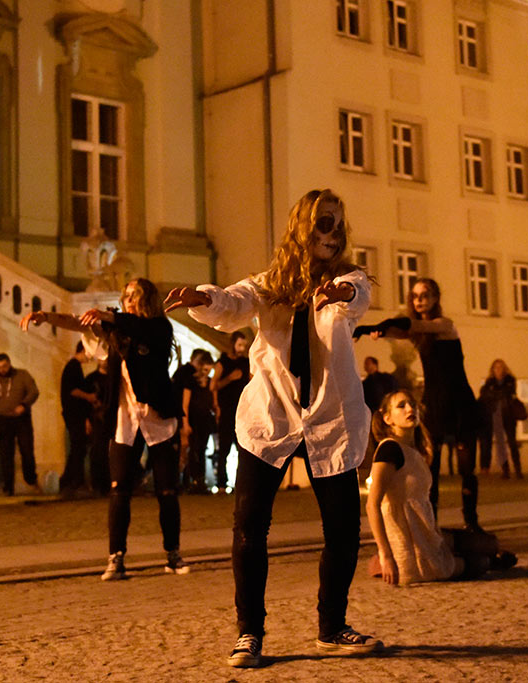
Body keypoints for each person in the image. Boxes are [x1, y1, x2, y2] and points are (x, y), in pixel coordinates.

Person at [164, 188, 381, 667]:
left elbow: (357, 297)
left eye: (338, 225)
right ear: (303, 226)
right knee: (249, 527)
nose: (333, 233)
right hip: (272, 416)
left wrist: (342, 292)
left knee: (343, 530)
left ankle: (331, 626)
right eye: (324, 223)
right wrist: (203, 296)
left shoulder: (349, 277)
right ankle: (250, 633)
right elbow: (234, 302)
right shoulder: (271, 283)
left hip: (329, 418)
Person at [21, 279, 188, 580]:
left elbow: (139, 328)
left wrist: (109, 316)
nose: (128, 301)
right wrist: (46, 317)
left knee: (166, 489)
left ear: (147, 299)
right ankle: (116, 558)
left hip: (157, 416)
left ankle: (172, 554)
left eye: (134, 296)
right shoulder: (116, 329)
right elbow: (80, 323)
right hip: (125, 418)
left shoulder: (159, 328)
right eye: (125, 296)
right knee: (119, 488)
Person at [355, 278, 482, 531]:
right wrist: (366, 329)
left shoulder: (444, 326)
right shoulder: (418, 334)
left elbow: (412, 324)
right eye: (415, 296)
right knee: (430, 469)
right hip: (434, 405)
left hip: (460, 403)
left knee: (467, 468)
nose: (419, 300)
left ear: (435, 298)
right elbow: (399, 329)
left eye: (425, 295)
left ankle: (472, 523)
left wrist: (385, 324)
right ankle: (430, 526)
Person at [365, 390, 517, 586]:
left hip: (426, 531)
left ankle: (474, 556)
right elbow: (372, 505)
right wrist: (386, 555)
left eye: (412, 404)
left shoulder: (413, 450)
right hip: (411, 542)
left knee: (489, 543)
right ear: (387, 418)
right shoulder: (389, 449)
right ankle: (381, 561)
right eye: (401, 406)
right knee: (482, 562)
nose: (410, 409)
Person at [0, 353, 40, 495]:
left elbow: (34, 391)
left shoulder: (22, 375)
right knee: (6, 455)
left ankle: (31, 479)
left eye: (4, 366)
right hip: (3, 421)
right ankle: (8, 487)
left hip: (21, 419)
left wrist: (24, 404)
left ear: (9, 364)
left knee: (27, 450)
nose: (2, 370)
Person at [212, 331, 250, 492]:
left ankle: (241, 484)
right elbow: (213, 386)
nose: (242, 349)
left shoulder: (246, 362)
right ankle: (221, 483)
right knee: (224, 448)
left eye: (244, 346)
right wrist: (229, 379)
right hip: (227, 411)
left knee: (243, 448)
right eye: (239, 345)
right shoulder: (223, 363)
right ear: (233, 344)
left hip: (242, 411)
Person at [60, 342, 99, 494]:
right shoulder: (73, 367)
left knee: (78, 448)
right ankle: (74, 481)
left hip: (76, 414)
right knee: (78, 448)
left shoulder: (74, 367)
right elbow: (72, 390)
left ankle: (69, 480)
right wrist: (89, 397)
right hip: (73, 414)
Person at [175, 349, 215, 493]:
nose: (206, 373)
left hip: (205, 421)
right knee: (192, 450)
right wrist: (185, 423)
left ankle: (200, 480)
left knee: (202, 450)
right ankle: (189, 480)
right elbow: (185, 404)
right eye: (204, 369)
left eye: (209, 370)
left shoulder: (210, 382)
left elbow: (212, 400)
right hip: (193, 420)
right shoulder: (190, 381)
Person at [478, 359, 523, 479]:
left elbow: (507, 392)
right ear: (493, 370)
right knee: (500, 445)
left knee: (512, 443)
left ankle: (518, 469)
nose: (498, 370)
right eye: (496, 367)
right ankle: (505, 470)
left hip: (509, 416)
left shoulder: (510, 380)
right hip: (496, 417)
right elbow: (484, 394)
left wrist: (495, 393)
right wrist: (495, 394)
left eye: (500, 367)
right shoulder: (490, 382)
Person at [85, 359, 112, 496]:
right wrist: (87, 420)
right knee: (97, 451)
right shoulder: (91, 379)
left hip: (112, 419)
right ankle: (97, 485)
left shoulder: (114, 378)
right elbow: (85, 403)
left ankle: (108, 484)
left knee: (111, 452)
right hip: (96, 419)